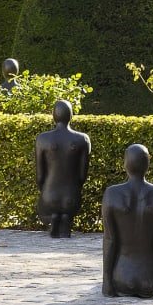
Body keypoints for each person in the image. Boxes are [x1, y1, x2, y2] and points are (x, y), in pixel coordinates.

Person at [101, 144, 153, 298]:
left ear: (125, 164)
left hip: (122, 277)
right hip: (151, 279)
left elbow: (110, 240)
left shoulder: (112, 194)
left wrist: (107, 283)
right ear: (147, 165)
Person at [34, 100, 91, 238]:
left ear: (54, 115)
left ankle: (53, 218)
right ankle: (66, 217)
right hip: (71, 197)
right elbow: (82, 175)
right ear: (71, 116)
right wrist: (76, 188)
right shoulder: (82, 139)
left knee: (46, 209)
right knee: (68, 206)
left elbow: (40, 175)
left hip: (49, 196)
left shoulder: (43, 139)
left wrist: (44, 189)